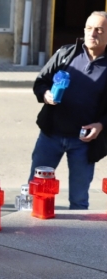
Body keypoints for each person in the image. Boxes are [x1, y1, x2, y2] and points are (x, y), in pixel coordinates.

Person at [29, 11, 107, 210]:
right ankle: (27, 237)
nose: (92, 34)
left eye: (99, 29)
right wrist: (46, 94)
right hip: (50, 136)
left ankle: (76, 240)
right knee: (35, 193)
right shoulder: (66, 54)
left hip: (83, 142)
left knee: (79, 200)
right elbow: (40, 82)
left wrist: (101, 125)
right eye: (89, 28)